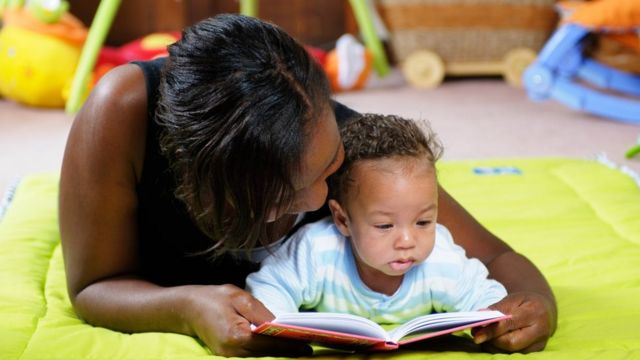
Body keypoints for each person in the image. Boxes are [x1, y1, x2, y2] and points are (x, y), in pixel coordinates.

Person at [58, 13, 556, 358]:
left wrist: (536, 306)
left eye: (328, 169)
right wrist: (186, 307)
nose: (320, 200)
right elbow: (92, 285)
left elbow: (496, 258)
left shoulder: (346, 146)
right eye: (283, 195)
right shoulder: (121, 114)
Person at [246, 114, 508, 326]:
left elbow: (486, 295)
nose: (407, 240)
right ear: (342, 220)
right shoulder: (317, 250)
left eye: (424, 222)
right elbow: (270, 287)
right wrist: (280, 328)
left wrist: (493, 321)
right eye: (385, 226)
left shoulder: (441, 259)